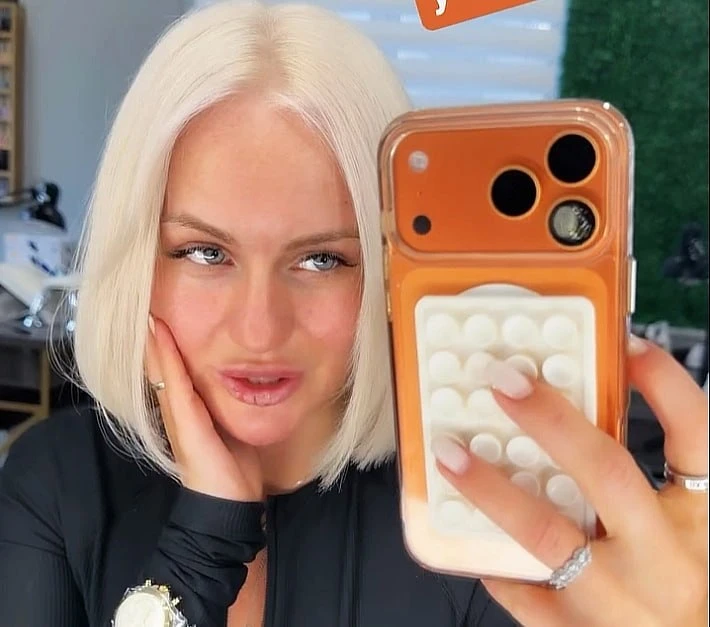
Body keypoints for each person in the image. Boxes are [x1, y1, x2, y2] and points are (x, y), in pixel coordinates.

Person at [0, 2, 707, 626]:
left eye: (321, 259)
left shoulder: (481, 516)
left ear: (388, 272)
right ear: (137, 264)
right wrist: (203, 546)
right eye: (206, 253)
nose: (258, 329)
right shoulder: (54, 485)